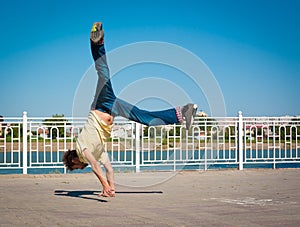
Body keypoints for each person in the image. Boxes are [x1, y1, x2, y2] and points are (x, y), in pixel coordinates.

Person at [63, 22, 198, 197]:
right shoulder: (98, 152)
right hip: (114, 109)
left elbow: (96, 168)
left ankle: (97, 42)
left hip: (101, 104)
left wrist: (103, 185)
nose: (81, 168)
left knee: (103, 73)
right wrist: (111, 189)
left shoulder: (82, 149)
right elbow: (109, 169)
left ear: (74, 160)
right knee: (145, 119)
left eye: (77, 167)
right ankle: (182, 113)